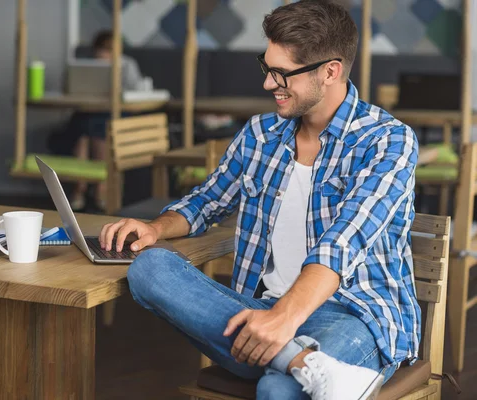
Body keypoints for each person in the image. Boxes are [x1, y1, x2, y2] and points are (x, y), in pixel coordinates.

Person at [99, 1, 419, 399]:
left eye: (282, 73)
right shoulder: (260, 134)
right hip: (260, 309)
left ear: (331, 71)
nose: (268, 83)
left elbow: (342, 243)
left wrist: (285, 318)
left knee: (276, 390)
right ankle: (302, 361)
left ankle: (288, 360)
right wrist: (154, 228)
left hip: (352, 314)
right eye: (266, 68)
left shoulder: (388, 140)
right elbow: (207, 201)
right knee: (149, 268)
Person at [69, 30, 146, 211]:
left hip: (116, 113)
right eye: (102, 49)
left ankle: (91, 188)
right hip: (89, 112)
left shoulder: (127, 65)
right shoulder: (87, 66)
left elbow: (135, 92)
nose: (105, 53)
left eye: (110, 49)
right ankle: (88, 188)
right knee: (84, 129)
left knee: (95, 131)